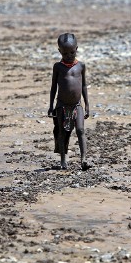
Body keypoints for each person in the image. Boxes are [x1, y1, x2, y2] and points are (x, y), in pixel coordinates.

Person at [48, 33, 90, 170]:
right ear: (60, 51)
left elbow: (83, 86)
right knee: (61, 132)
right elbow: (54, 87)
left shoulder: (81, 66)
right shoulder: (58, 67)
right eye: (65, 53)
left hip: (77, 105)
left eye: (72, 52)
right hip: (61, 105)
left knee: (80, 130)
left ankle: (84, 160)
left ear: (76, 49)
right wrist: (51, 106)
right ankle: (63, 161)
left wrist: (87, 104)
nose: (69, 56)